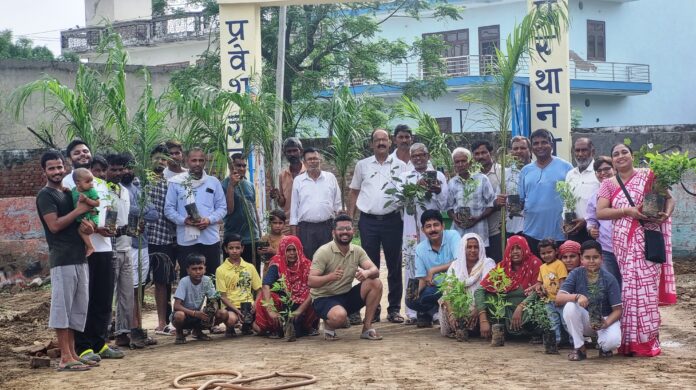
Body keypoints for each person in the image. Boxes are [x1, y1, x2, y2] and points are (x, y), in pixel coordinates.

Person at [596, 143, 676, 357]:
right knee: (629, 291)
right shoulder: (608, 184)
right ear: (612, 160)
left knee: (646, 292)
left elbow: (669, 199)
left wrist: (666, 215)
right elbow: (601, 212)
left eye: (624, 152)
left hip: (648, 240)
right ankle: (630, 342)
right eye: (616, 154)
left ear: (633, 156)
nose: (620, 156)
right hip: (624, 242)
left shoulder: (649, 176)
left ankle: (647, 341)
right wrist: (627, 211)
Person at [61, 141, 123, 361]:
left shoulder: (100, 184)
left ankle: (100, 343)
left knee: (104, 298)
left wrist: (108, 229)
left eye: (85, 150)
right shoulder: (66, 184)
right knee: (83, 299)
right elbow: (71, 217)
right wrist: (94, 229)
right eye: (77, 152)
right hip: (82, 249)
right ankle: (84, 346)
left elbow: (105, 212)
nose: (82, 154)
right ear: (70, 158)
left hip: (104, 247)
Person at [36, 151, 95, 371]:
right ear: (44, 171)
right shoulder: (46, 195)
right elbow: (55, 226)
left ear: (65, 167)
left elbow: (78, 221)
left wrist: (86, 225)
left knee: (76, 308)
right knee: (63, 309)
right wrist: (79, 210)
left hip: (79, 255)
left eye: (59, 167)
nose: (57, 171)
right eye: (51, 168)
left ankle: (72, 354)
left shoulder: (68, 192)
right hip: (62, 259)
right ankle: (64, 358)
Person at [348, 129, 407, 324]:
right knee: (369, 266)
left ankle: (394, 309)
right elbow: (354, 192)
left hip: (393, 221)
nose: (381, 142)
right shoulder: (362, 165)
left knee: (394, 265)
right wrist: (350, 220)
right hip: (368, 222)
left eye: (384, 139)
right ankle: (373, 309)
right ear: (371, 144)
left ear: (390, 142)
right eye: (377, 140)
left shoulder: (401, 166)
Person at [308, 215, 384, 340]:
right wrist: (330, 277)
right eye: (340, 229)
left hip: (345, 295)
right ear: (333, 232)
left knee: (375, 283)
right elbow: (311, 281)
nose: (345, 232)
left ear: (353, 231)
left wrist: (366, 273)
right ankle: (329, 325)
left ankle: (367, 327)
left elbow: (374, 270)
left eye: (348, 228)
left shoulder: (357, 250)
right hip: (323, 298)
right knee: (339, 317)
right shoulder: (323, 251)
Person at [399, 143, 448, 325]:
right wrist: (414, 188)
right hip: (411, 229)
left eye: (422, 155)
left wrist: (438, 190)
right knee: (411, 267)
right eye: (415, 156)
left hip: (433, 230)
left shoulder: (439, 176)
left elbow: (445, 204)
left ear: (428, 156)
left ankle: (434, 310)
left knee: (434, 265)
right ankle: (413, 311)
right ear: (410, 158)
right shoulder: (405, 177)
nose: (418, 158)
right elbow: (399, 201)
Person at [165, 147, 227, 277]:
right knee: (187, 279)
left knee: (212, 279)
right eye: (194, 160)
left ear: (205, 162)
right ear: (187, 161)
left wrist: (209, 220)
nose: (197, 163)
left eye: (201, 160)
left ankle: (212, 299)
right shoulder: (176, 182)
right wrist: (184, 221)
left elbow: (222, 208)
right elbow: (169, 209)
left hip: (210, 238)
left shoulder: (214, 182)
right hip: (186, 240)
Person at [556, 240, 622, 361]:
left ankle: (603, 346)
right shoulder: (576, 274)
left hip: (605, 319)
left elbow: (618, 310)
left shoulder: (609, 278)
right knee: (570, 306)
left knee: (612, 343)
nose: (591, 261)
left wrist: (606, 324)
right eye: (587, 257)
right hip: (586, 319)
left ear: (601, 258)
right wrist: (577, 297)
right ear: (581, 259)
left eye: (595, 257)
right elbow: (559, 298)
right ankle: (580, 347)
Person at [121, 154, 158, 348]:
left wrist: (131, 209)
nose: (126, 172)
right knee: (128, 289)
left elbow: (153, 214)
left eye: (130, 167)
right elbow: (119, 211)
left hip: (142, 243)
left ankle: (137, 329)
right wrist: (136, 209)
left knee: (139, 288)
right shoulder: (116, 190)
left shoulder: (139, 190)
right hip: (125, 245)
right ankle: (129, 329)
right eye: (123, 168)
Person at [519, 129, 573, 256]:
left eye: (544, 142)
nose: (540, 146)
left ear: (552, 145)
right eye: (536, 143)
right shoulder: (525, 171)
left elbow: (572, 201)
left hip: (559, 233)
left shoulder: (566, 167)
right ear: (531, 147)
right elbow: (521, 200)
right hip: (531, 232)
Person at [475, 235, 542, 339]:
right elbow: (480, 290)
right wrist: (483, 319)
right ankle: (503, 329)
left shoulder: (534, 263)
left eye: (518, 248)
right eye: (512, 249)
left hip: (526, 309)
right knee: (488, 297)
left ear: (525, 248)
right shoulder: (502, 267)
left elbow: (538, 289)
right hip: (506, 312)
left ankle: (529, 332)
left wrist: (520, 307)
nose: (515, 252)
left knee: (540, 307)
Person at [253, 235, 319, 338]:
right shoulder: (277, 262)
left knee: (317, 295)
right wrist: (271, 311)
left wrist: (299, 310)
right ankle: (273, 328)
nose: (292, 253)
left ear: (299, 249)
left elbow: (314, 289)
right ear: (283, 250)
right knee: (265, 297)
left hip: (302, 304)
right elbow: (266, 285)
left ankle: (308, 326)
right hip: (282, 303)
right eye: (288, 250)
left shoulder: (306, 264)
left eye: (294, 249)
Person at [406, 210, 460, 328]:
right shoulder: (420, 248)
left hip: (456, 286)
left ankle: (437, 311)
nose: (433, 229)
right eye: (428, 226)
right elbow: (421, 277)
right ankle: (426, 312)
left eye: (436, 225)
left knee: (437, 293)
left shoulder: (453, 236)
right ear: (423, 230)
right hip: (436, 288)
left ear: (443, 226)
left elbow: (459, 262)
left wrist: (433, 270)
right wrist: (414, 296)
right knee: (410, 299)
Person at [146, 145, 178, 335]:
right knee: (141, 282)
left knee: (163, 281)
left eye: (163, 159)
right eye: (157, 158)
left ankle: (163, 321)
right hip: (143, 238)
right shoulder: (141, 182)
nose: (160, 162)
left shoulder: (171, 183)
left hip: (166, 238)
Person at [289, 147, 342, 260]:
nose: (313, 161)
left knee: (329, 260)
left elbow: (338, 204)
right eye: (310, 159)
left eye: (315, 158)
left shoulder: (330, 178)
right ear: (304, 162)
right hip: (306, 229)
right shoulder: (298, 181)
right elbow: (294, 210)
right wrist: (294, 236)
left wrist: (340, 226)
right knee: (308, 262)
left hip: (327, 227)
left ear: (320, 160)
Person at [105, 153, 135, 349]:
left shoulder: (125, 191)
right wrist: (118, 231)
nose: (117, 173)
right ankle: (104, 331)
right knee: (108, 294)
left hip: (127, 247)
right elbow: (108, 224)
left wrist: (132, 230)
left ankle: (123, 332)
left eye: (120, 169)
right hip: (111, 249)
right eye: (113, 169)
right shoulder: (103, 191)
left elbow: (124, 220)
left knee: (126, 294)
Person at [439, 233, 495, 338]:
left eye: (476, 247)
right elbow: (447, 290)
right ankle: (456, 327)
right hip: (461, 308)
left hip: (480, 307)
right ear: (463, 249)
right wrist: (451, 314)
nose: (473, 250)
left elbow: (489, 290)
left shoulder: (488, 264)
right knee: (444, 299)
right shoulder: (455, 265)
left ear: (481, 249)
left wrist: (476, 310)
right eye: (469, 247)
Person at [172, 254, 235, 344]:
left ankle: (198, 331)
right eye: (194, 269)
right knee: (179, 315)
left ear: (205, 269)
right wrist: (194, 313)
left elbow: (214, 298)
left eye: (200, 268)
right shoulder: (184, 281)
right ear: (188, 270)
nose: (198, 271)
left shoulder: (207, 280)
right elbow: (177, 306)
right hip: (186, 314)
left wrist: (211, 311)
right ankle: (179, 332)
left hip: (199, 314)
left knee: (223, 313)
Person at [222, 153, 261, 274]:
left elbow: (254, 210)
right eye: (238, 165)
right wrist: (231, 186)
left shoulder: (249, 185)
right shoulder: (223, 185)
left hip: (251, 238)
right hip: (233, 239)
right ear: (231, 167)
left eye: (244, 166)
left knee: (253, 273)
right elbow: (229, 210)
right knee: (233, 275)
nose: (242, 169)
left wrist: (259, 233)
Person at [447, 148, 495, 246]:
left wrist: (478, 218)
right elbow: (449, 207)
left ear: (470, 162)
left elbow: (491, 203)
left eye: (463, 161)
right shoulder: (452, 182)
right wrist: (454, 217)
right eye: (457, 162)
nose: (461, 164)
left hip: (479, 232)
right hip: (458, 234)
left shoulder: (482, 179)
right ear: (454, 165)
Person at [216, 234, 262, 335]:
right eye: (231, 248)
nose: (234, 251)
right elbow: (223, 297)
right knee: (231, 320)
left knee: (260, 329)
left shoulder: (250, 267)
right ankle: (230, 327)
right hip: (232, 307)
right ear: (226, 249)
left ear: (242, 248)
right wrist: (237, 311)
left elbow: (259, 290)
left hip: (249, 306)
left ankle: (247, 326)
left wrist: (255, 304)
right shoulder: (221, 270)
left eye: (237, 248)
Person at [585, 156, 620, 287]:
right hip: (606, 248)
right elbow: (591, 219)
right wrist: (591, 228)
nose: (603, 173)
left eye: (606, 169)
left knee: (629, 282)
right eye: (599, 171)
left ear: (615, 169)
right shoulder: (595, 196)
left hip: (628, 247)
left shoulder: (625, 191)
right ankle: (615, 307)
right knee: (611, 282)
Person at [527, 239, 568, 345]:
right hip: (548, 301)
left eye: (549, 252)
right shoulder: (542, 267)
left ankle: (575, 342)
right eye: (543, 253)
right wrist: (536, 289)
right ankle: (555, 342)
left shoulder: (559, 264)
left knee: (566, 322)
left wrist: (561, 297)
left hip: (560, 301)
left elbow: (562, 281)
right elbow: (539, 282)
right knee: (553, 322)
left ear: (556, 251)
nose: (546, 255)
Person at [472, 140, 504, 262]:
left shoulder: (502, 173)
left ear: (491, 153)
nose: (480, 156)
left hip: (497, 230)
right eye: (477, 153)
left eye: (484, 152)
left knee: (498, 264)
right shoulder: (472, 176)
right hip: (477, 230)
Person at [496, 136, 532, 241]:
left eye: (523, 148)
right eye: (515, 149)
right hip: (512, 227)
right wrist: (499, 201)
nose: (518, 151)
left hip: (534, 228)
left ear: (530, 150)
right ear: (511, 152)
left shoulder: (537, 171)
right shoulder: (505, 174)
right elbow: (497, 201)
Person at [564, 138, 599, 243]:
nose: (580, 154)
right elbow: (566, 200)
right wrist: (565, 220)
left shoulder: (599, 172)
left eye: (584, 150)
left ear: (592, 152)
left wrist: (586, 220)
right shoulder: (570, 174)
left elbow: (605, 202)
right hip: (573, 228)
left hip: (593, 229)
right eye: (577, 150)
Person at [271, 137, 306, 222]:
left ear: (301, 151)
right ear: (285, 153)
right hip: (289, 222)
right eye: (289, 151)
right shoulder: (282, 176)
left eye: (295, 150)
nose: (292, 154)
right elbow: (282, 203)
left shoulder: (308, 173)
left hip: (306, 221)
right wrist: (278, 196)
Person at [70, 168, 100, 257]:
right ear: (78, 183)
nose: (91, 184)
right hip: (82, 217)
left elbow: (97, 203)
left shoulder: (91, 191)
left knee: (81, 230)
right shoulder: (74, 190)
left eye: (92, 181)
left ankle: (90, 247)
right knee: (79, 230)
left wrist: (86, 199)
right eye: (88, 182)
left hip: (92, 217)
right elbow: (70, 195)